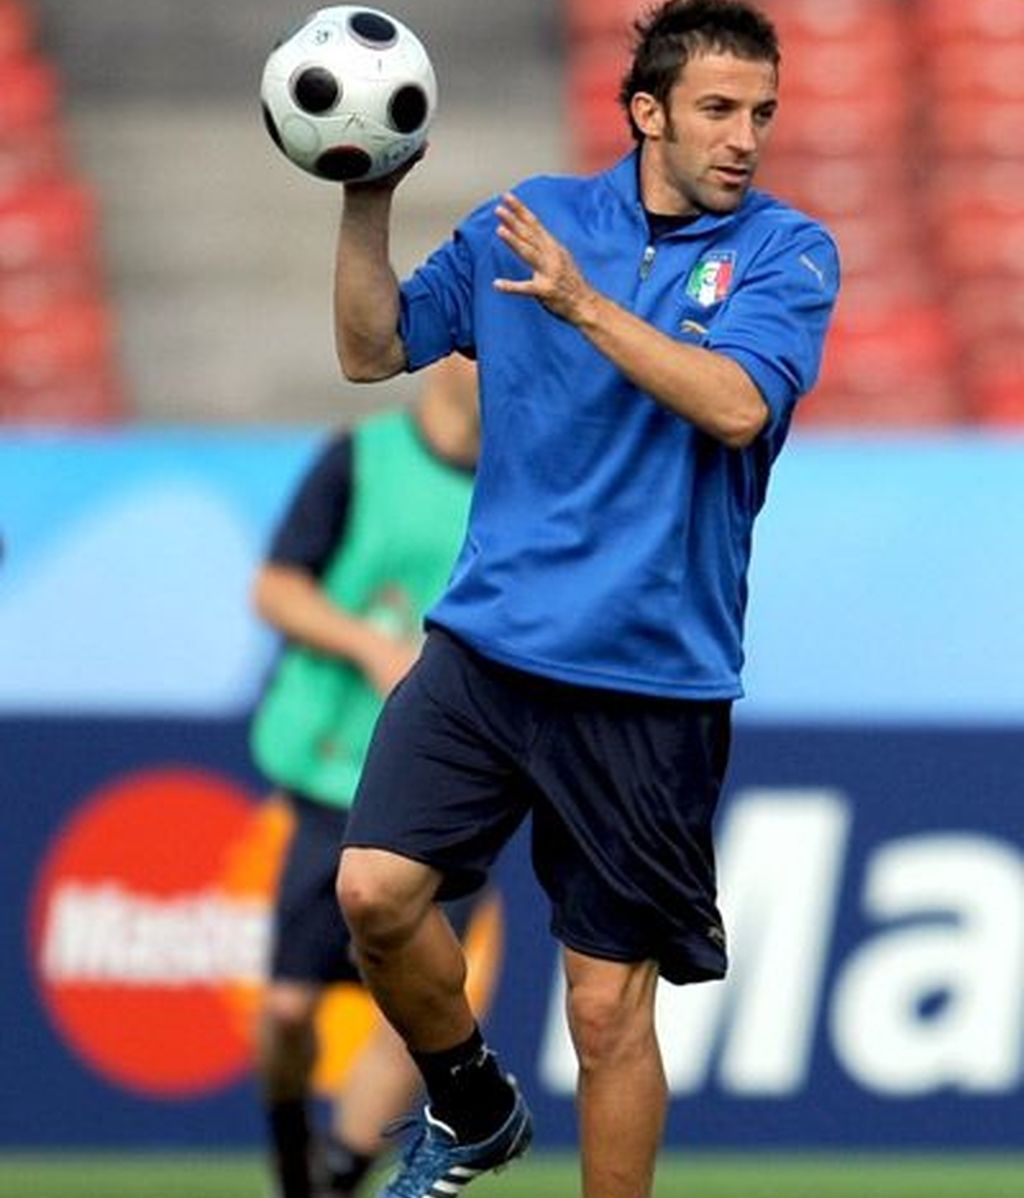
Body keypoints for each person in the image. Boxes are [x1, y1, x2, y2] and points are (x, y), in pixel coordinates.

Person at [332, 3, 840, 1197]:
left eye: (761, 112)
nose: (745, 137)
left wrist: (582, 307)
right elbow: (371, 349)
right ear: (646, 112)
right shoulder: (536, 218)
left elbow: (733, 406)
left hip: (648, 680)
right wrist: (365, 194)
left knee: (604, 1011)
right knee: (373, 892)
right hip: (486, 650)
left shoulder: (787, 251)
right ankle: (469, 1098)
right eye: (718, 109)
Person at [249, 355, 487, 1198]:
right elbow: (277, 588)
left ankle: (339, 1180)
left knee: (419, 1009)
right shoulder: (362, 457)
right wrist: (370, 647)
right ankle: (291, 1153)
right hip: (330, 768)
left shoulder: (522, 482)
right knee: (286, 1009)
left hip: (448, 785)